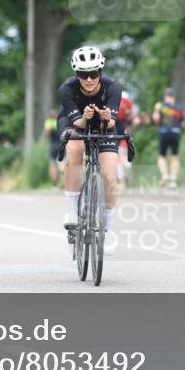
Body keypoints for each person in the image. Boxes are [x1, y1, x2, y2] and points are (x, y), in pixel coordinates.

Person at [57, 45, 121, 240]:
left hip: (103, 125)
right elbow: (78, 123)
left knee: (109, 177)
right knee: (75, 149)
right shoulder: (67, 89)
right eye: (83, 75)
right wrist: (85, 118)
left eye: (94, 73)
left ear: (100, 71)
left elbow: (111, 123)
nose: (89, 79)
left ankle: (108, 229)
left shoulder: (113, 87)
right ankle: (72, 210)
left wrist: (106, 118)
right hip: (74, 122)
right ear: (76, 74)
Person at [152, 87, 185, 189]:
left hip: (164, 132)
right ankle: (173, 180)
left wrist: (157, 124)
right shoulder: (179, 107)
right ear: (174, 97)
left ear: (165, 96)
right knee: (175, 157)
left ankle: (165, 175)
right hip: (176, 133)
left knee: (162, 156)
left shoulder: (160, 106)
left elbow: (156, 118)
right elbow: (183, 123)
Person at [116, 91, 135, 188]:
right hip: (125, 129)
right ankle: (128, 166)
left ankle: (120, 178)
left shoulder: (113, 99)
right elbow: (132, 117)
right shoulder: (128, 102)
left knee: (117, 155)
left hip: (114, 128)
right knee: (122, 153)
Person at [43, 110, 62, 188]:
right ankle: (62, 183)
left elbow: (46, 132)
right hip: (61, 144)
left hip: (53, 145)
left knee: (52, 164)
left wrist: (45, 138)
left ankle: (54, 185)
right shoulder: (59, 121)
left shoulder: (48, 122)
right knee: (61, 163)